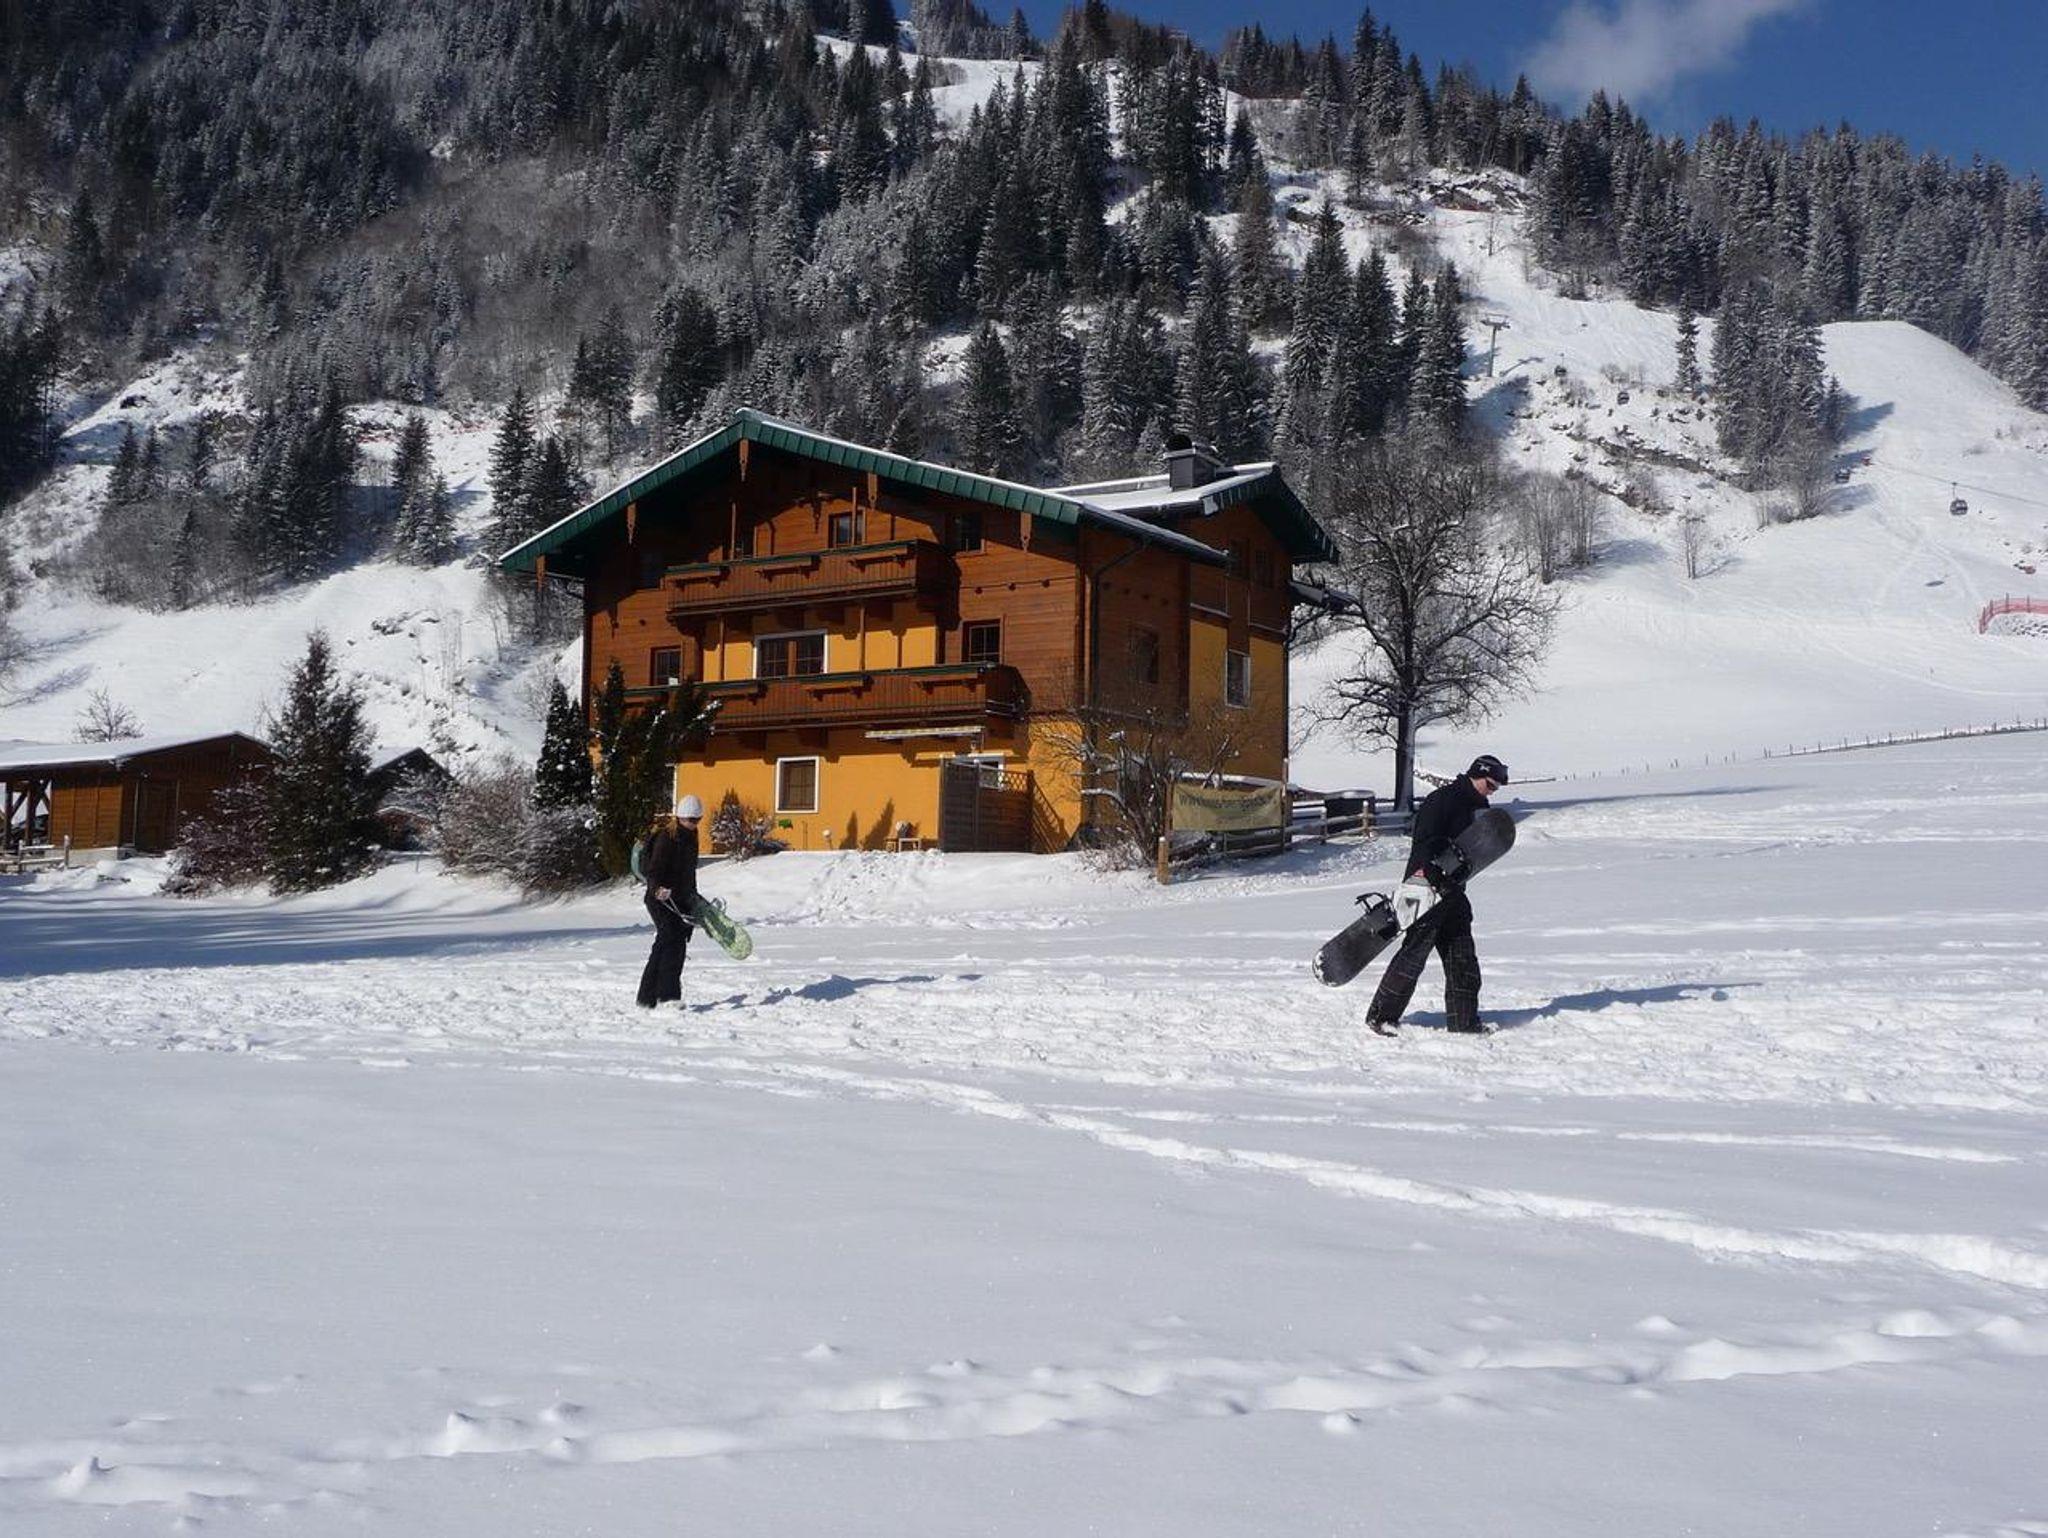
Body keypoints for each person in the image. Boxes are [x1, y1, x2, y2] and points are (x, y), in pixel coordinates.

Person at [1365, 754, 1509, 1036]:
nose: (1492, 791)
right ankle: (1381, 1018)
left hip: (1453, 891)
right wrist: (1431, 878)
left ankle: (1463, 1022)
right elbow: (1424, 842)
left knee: (1462, 957)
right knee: (1413, 955)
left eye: (1496, 788)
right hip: (1426, 889)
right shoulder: (1443, 800)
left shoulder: (1477, 808)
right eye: (1491, 785)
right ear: (1478, 775)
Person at [636, 793, 703, 1009]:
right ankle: (668, 997)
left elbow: (689, 872)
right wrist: (657, 889)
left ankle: (646, 998)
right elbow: (654, 869)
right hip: (660, 899)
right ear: (680, 817)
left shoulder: (691, 837)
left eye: (698, 819)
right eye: (691, 819)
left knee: (666, 944)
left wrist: (693, 897)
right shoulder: (667, 837)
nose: (694, 823)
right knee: (672, 941)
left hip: (680, 899)